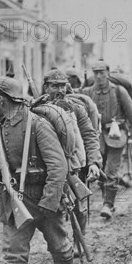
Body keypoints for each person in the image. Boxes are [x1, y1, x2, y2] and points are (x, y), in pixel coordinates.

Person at [0, 77, 73, 264]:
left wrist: (49, 203)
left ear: (1, 99)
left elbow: (58, 166)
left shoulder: (37, 125)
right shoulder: (1, 124)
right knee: (14, 248)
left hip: (43, 195)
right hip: (15, 198)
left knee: (58, 243)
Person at [81, 60, 132, 219]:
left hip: (116, 136)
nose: (98, 76)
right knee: (101, 172)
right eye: (95, 72)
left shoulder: (119, 91)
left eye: (101, 72)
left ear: (108, 73)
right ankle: (107, 199)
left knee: (112, 170)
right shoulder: (88, 92)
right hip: (95, 139)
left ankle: (108, 204)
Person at [42, 68, 102, 233]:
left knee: (78, 207)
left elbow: (89, 135)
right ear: (46, 87)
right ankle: (61, 246)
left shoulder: (76, 108)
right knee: (52, 206)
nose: (60, 90)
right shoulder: (37, 109)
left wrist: (94, 162)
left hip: (74, 164)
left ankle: (78, 237)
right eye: (55, 86)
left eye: (63, 86)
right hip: (49, 166)